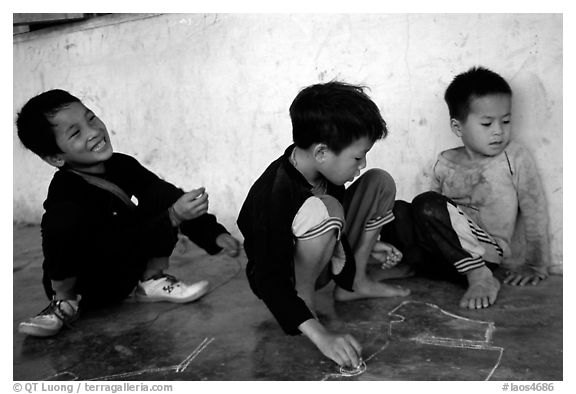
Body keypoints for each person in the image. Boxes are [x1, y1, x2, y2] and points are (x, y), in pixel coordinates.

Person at [16, 89, 241, 337]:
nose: (93, 131)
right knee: (61, 222)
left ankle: (151, 280)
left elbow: (164, 196)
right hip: (88, 285)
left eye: (90, 118)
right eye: (76, 132)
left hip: (124, 275)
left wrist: (214, 234)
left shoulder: (122, 165)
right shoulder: (66, 192)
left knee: (159, 193)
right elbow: (110, 245)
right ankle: (62, 303)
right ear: (56, 157)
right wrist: (173, 217)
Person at [237, 81, 410, 369]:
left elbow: (338, 226)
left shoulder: (325, 170)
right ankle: (306, 310)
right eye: (357, 156)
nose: (363, 163)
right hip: (285, 279)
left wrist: (368, 245)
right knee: (325, 209)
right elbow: (269, 279)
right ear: (321, 152)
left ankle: (355, 283)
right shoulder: (273, 193)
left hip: (327, 253)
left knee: (379, 182)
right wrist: (323, 337)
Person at [384, 66, 551, 310]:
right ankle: (408, 266)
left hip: (485, 255)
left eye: (506, 121)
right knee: (399, 209)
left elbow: (534, 210)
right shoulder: (445, 161)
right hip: (444, 257)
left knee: (427, 204)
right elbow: (428, 220)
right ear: (457, 127)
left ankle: (480, 277)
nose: (498, 130)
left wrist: (535, 263)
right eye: (487, 123)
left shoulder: (514, 157)